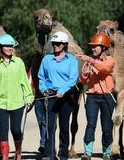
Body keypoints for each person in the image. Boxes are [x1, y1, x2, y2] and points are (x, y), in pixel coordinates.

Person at [0, 34, 34, 160]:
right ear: (1, 47)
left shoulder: (19, 63)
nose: (9, 48)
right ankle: (5, 156)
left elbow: (24, 81)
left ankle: (18, 151)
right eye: (6, 46)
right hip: (1, 102)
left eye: (11, 46)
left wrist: (29, 98)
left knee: (16, 130)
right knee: (2, 130)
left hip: (17, 102)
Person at [38, 31, 79, 160]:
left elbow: (73, 78)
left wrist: (62, 90)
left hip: (66, 97)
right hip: (50, 95)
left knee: (64, 127)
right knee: (49, 126)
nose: (56, 45)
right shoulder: (46, 59)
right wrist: (43, 88)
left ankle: (63, 154)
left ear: (64, 45)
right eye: (54, 43)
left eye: (59, 43)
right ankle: (49, 154)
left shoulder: (72, 60)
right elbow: (41, 77)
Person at [77, 33, 115, 160]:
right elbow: (82, 80)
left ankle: (107, 152)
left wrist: (90, 60)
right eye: (92, 46)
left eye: (96, 46)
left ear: (104, 47)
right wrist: (85, 74)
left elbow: (105, 68)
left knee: (106, 126)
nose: (93, 48)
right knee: (90, 124)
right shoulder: (89, 62)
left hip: (107, 97)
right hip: (92, 97)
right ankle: (87, 152)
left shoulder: (110, 60)